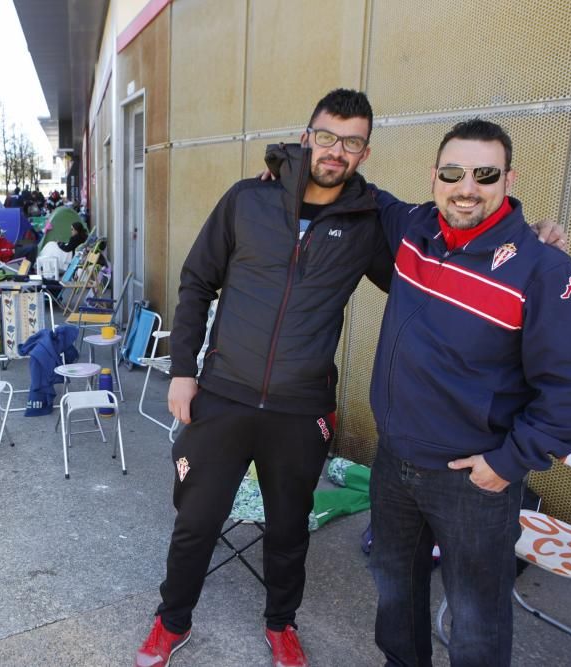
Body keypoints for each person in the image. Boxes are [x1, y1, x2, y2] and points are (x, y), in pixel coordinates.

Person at [135, 89, 393, 667]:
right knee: (197, 521)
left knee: (287, 528)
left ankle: (281, 624)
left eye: (351, 142)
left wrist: (525, 240)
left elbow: (427, 271)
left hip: (301, 408)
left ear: (364, 153)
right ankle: (171, 621)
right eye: (327, 136)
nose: (336, 150)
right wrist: (182, 371)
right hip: (224, 392)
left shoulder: (368, 222)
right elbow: (197, 281)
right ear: (307, 137)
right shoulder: (247, 200)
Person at [366, 119, 571, 667]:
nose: (467, 187)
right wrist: (282, 169)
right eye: (453, 173)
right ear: (433, 176)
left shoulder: (544, 269)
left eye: (485, 174)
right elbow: (351, 187)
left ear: (509, 179)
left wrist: (509, 463)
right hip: (395, 462)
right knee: (395, 595)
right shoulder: (416, 228)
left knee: (476, 620)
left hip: (473, 481)